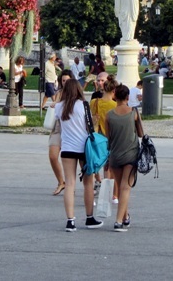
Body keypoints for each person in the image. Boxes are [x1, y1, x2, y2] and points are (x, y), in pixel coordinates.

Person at [54, 79, 102, 231]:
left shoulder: (59, 107)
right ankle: (89, 217)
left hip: (67, 147)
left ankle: (70, 220)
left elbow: (59, 125)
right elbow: (89, 127)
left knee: (69, 183)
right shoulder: (83, 105)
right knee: (88, 183)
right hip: (84, 148)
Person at [106, 84, 143, 232]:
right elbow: (140, 133)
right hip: (130, 154)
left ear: (115, 97)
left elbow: (108, 138)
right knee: (126, 187)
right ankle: (118, 221)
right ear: (128, 97)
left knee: (121, 188)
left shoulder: (109, 115)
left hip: (115, 154)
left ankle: (125, 216)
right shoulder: (133, 113)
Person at [48, 69, 73, 196]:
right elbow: (56, 106)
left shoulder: (75, 94)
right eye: (63, 81)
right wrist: (54, 104)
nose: (65, 83)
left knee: (70, 160)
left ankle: (70, 184)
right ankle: (61, 182)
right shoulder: (59, 93)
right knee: (53, 156)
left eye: (67, 80)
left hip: (70, 129)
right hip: (58, 127)